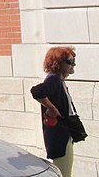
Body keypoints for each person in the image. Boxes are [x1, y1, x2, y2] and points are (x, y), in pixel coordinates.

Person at [30, 46, 78, 177]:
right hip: (59, 135)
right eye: (69, 62)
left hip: (64, 133)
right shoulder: (54, 80)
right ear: (58, 63)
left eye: (74, 61)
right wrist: (51, 108)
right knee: (63, 173)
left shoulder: (58, 80)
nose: (73, 65)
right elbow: (36, 91)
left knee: (63, 170)